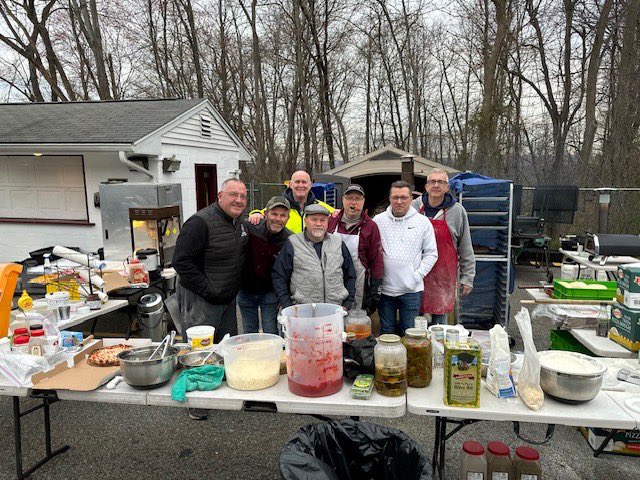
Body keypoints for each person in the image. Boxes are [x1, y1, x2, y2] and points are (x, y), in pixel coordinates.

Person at [172, 177, 248, 342]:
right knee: (201, 353)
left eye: (243, 196)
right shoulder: (199, 223)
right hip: (202, 302)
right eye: (233, 194)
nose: (239, 200)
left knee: (226, 350)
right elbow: (181, 261)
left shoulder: (239, 223)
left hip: (227, 302)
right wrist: (209, 290)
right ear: (220, 196)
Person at [373, 180, 438, 335]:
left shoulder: (422, 222)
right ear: (389, 198)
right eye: (395, 197)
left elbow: (431, 253)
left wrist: (417, 276)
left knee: (409, 333)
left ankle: (407, 360)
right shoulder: (378, 221)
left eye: (404, 197)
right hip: (385, 290)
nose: (399, 201)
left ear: (411, 198)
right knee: (387, 332)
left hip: (411, 290)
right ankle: (389, 359)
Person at [411, 168, 475, 324]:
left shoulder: (457, 211)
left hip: (442, 277)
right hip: (416, 275)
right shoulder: (413, 208)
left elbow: (466, 247)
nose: (436, 185)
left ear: (447, 187)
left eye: (441, 182)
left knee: (440, 326)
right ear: (426, 186)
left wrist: (468, 277)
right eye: (432, 181)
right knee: (414, 323)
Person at [272, 204, 356, 309]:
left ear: (327, 222)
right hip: (304, 312)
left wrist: (347, 304)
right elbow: (279, 276)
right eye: (314, 219)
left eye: (322, 220)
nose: (318, 224)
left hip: (334, 311)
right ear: (306, 220)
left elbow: (350, 274)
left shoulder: (338, 243)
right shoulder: (293, 243)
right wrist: (287, 305)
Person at [238, 196, 292, 335]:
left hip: (270, 293)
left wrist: (283, 296)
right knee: (249, 332)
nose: (278, 219)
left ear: (288, 218)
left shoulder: (289, 240)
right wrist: (252, 215)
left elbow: (290, 272)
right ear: (266, 213)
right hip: (245, 291)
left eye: (282, 215)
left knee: (271, 331)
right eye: (274, 214)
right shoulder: (250, 228)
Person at [327, 184, 383, 314]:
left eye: (357, 199)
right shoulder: (331, 222)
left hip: (358, 284)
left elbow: (376, 260)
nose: (353, 202)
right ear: (343, 200)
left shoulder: (370, 226)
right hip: (331, 282)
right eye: (350, 198)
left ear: (363, 202)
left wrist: (376, 290)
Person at [248, 170, 334, 233]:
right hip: (286, 254)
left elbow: (338, 214)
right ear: (290, 184)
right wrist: (256, 214)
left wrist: (338, 212)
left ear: (310, 185)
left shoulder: (320, 206)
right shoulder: (281, 206)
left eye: (304, 182)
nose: (301, 185)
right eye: (297, 182)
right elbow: (264, 213)